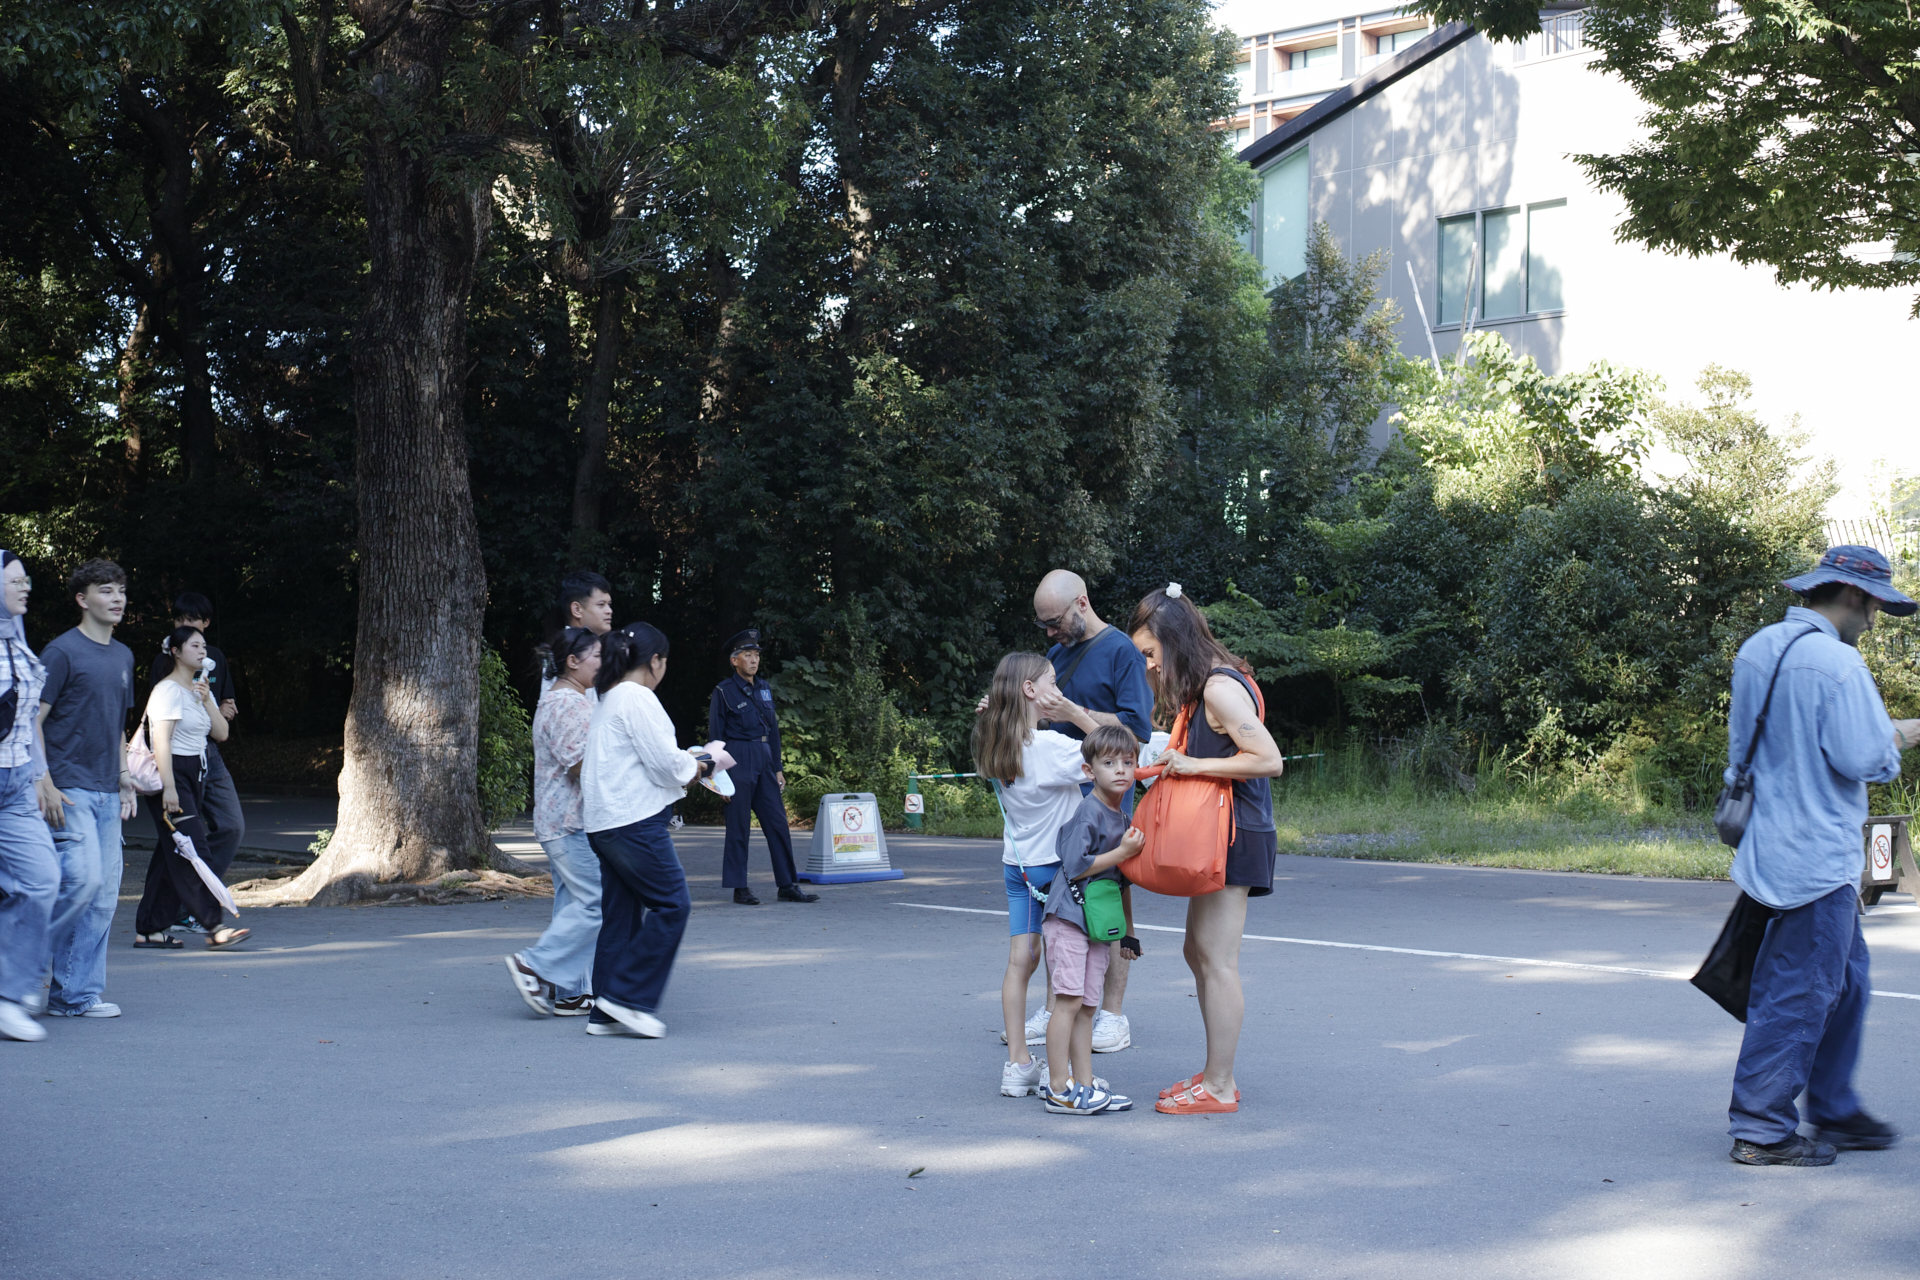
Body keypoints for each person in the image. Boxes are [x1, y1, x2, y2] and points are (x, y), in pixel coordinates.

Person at [1722, 546, 1920, 1167]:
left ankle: (1834, 1107)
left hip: (1769, 845)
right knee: (1801, 991)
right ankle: (1762, 1129)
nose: (1875, 620)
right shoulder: (1837, 663)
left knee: (1848, 982)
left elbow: (1752, 746)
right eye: (1877, 606)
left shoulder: (1760, 648)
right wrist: (1900, 736)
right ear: (1855, 596)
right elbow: (1865, 758)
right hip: (1816, 857)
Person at [1127, 583, 1284, 1115]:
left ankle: (1219, 1085)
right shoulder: (1208, 685)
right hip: (1223, 832)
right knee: (1197, 952)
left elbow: (1268, 759)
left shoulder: (1217, 689)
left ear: (1174, 639)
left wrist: (1193, 765)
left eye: (1150, 652)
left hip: (1233, 834)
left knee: (1216, 960)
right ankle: (1216, 1073)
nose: (1149, 665)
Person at [1020, 570, 1157, 1054]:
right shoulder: (1057, 655)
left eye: (1055, 621)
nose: (1050, 633)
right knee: (1061, 901)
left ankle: (1112, 1014)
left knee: (1108, 897)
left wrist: (1074, 713)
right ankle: (1058, 1004)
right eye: (1043, 625)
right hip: (1061, 794)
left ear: (1082, 603)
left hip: (1107, 797)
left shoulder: (1122, 652)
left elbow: (1136, 734)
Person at [580, 622, 730, 1039]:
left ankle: (605, 1011)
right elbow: (668, 765)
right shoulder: (637, 697)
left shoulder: (609, 698)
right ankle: (626, 999)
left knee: (622, 915)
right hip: (633, 822)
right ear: (656, 661)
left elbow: (647, 760)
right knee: (672, 905)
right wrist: (703, 764)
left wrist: (687, 764)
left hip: (605, 823)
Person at [973, 652, 1089, 1098]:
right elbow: (1115, 754)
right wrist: (1075, 714)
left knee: (1020, 960)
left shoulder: (995, 740)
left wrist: (991, 714)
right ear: (1030, 689)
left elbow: (993, 721)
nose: (1058, 690)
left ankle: (1017, 1063)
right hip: (1058, 870)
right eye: (1052, 683)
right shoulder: (1051, 747)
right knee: (1067, 968)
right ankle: (1066, 1074)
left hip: (1018, 866)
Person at [36, 559, 138, 1019]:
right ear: (82, 599)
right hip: (67, 789)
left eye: (120, 590)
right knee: (82, 882)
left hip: (107, 791)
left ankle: (74, 995)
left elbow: (117, 725)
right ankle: (20, 965)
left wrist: (124, 776)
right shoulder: (61, 652)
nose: (117, 599)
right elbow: (31, 721)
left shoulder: (123, 656)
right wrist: (44, 781)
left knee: (103, 897)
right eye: (105, 590)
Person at [1039, 724, 1146, 1116]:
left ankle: (1084, 1085)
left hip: (1098, 925)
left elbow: (1122, 881)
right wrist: (1122, 853)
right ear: (1089, 771)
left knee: (1087, 1005)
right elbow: (1075, 865)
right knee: (1067, 1002)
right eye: (1109, 763)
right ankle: (1058, 1088)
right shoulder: (1089, 812)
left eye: (1128, 763)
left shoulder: (1123, 817)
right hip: (1069, 919)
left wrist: (1128, 932)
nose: (1120, 770)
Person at [505, 626, 603, 1016]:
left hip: (564, 822)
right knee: (596, 901)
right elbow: (579, 765)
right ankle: (533, 964)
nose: (603, 663)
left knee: (575, 903)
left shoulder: (569, 699)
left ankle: (570, 991)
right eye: (597, 656)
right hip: (568, 823)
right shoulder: (567, 704)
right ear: (573, 661)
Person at [134, 626, 248, 949]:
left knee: (170, 854)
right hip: (173, 776)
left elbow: (222, 733)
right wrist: (169, 788)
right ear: (176, 651)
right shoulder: (167, 690)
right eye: (194, 646)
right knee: (193, 850)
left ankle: (149, 928)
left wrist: (207, 699)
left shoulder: (198, 689)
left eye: (204, 646)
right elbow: (161, 742)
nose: (202, 651)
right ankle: (214, 925)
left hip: (196, 775)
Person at [708, 628, 816, 906]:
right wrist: (717, 778)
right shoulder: (723, 691)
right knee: (739, 825)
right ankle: (739, 887)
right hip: (737, 758)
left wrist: (777, 767)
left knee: (777, 822)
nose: (754, 660)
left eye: (756, 654)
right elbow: (716, 737)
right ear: (735, 660)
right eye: (747, 655)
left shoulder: (765, 688)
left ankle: (787, 885)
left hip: (765, 757)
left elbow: (773, 731)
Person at [0, 551, 59, 1042]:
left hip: (17, 782)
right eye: (15, 581)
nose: (26, 588)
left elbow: (28, 718)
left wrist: (39, 774)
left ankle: (9, 994)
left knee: (42, 880)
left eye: (27, 580)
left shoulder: (16, 638)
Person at [541, 572, 614, 694]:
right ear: (577, 609)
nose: (609, 611)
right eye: (601, 605)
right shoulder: (560, 651)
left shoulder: (596, 645)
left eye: (609, 605)